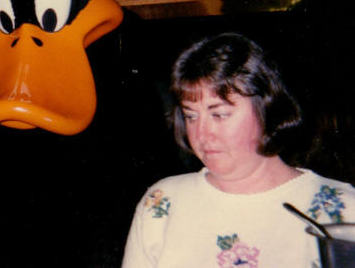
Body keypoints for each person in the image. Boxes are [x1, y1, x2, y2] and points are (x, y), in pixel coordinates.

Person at [122, 32, 355, 267]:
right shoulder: (162, 203)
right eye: (191, 116)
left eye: (219, 114)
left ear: (267, 109)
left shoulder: (344, 208)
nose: (201, 134)